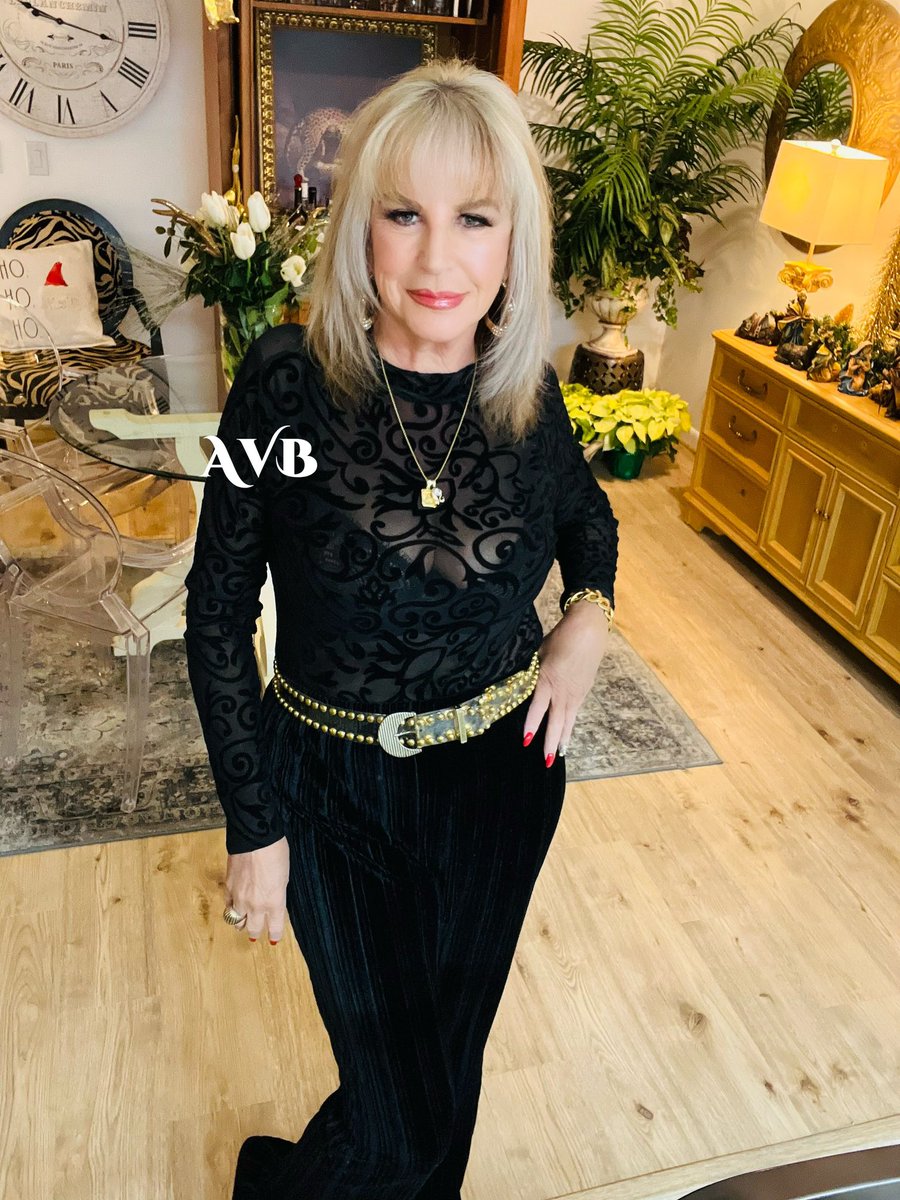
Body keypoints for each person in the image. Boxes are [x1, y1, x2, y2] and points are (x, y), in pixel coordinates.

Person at [183, 56, 619, 1200]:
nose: (437, 260)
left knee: (438, 1079)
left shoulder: (526, 393)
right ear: (357, 229)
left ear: (514, 239)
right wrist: (254, 825)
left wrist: (585, 619)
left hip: (503, 784)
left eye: (474, 218)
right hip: (328, 788)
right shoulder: (284, 386)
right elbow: (217, 611)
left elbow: (589, 519)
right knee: (403, 1113)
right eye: (403, 215)